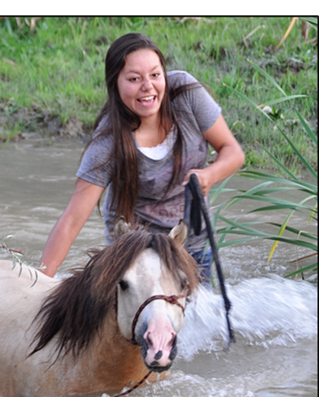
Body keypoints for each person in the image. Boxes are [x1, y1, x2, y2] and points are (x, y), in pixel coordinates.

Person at [39, 33, 244, 281]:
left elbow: (232, 151)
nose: (148, 86)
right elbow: (72, 219)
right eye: (134, 79)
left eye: (155, 75)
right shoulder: (108, 141)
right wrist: (40, 282)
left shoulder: (186, 94)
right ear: (115, 83)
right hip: (135, 251)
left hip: (192, 245)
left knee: (198, 318)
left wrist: (209, 175)